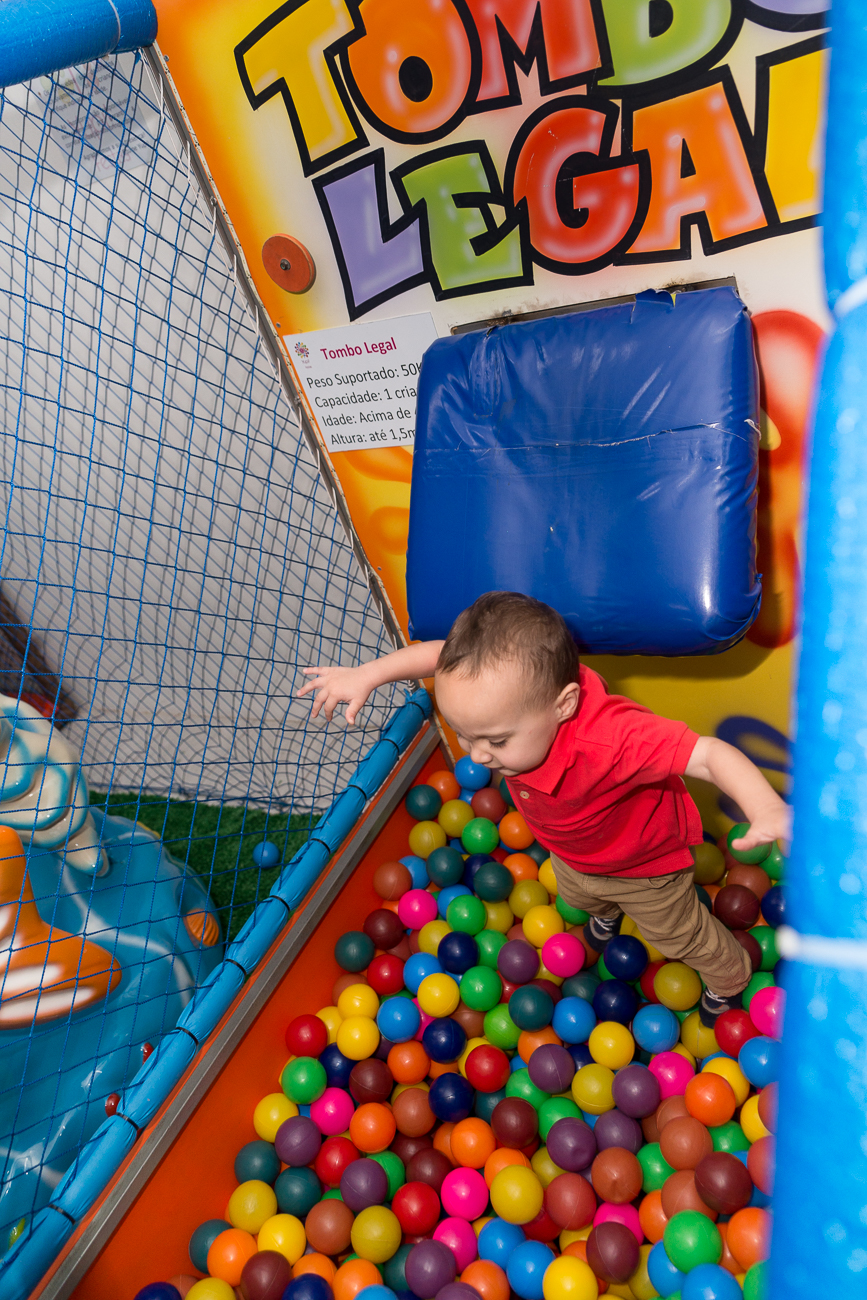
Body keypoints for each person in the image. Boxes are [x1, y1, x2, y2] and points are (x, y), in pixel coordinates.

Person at [298, 591, 790, 1025]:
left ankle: (729, 975)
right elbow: (438, 658)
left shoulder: (611, 737)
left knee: (678, 934)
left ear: (564, 704)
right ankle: (603, 911)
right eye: (464, 733)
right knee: (579, 893)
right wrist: (371, 673)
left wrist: (764, 806)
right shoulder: (508, 704)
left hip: (645, 866)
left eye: (496, 739)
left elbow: (706, 754)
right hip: (572, 850)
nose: (476, 755)